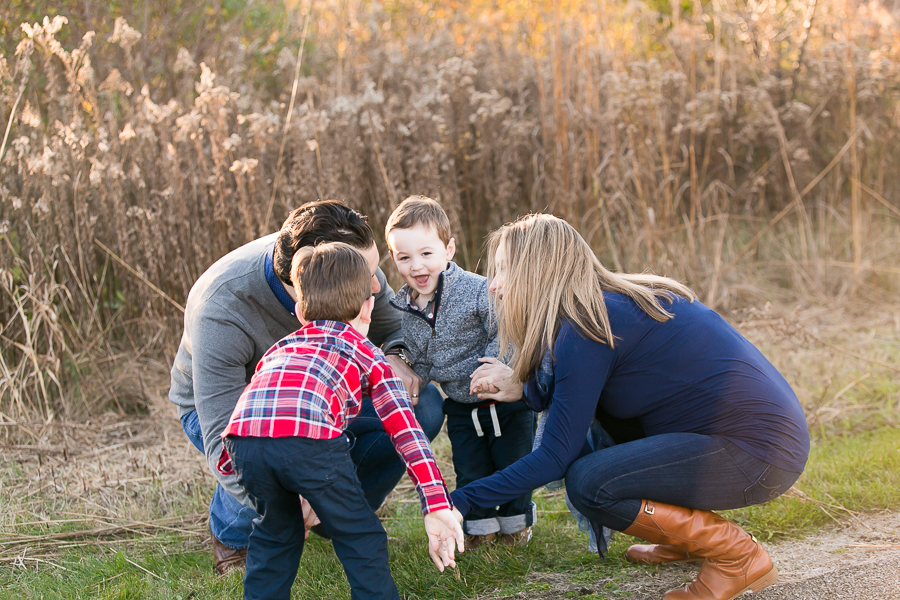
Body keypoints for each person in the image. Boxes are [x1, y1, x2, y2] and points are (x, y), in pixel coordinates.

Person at [460, 214, 810, 600]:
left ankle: (737, 556)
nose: (493, 285)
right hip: (762, 444)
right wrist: (525, 388)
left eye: (505, 270)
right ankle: (686, 541)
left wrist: (458, 502)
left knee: (590, 483)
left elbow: (554, 457)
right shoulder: (608, 306)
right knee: (610, 423)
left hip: (759, 457)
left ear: (537, 271)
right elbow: (572, 396)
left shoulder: (588, 329)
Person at [168, 201, 446, 574]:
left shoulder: (351, 264)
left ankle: (336, 516)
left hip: (325, 397)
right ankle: (233, 534)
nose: (379, 285)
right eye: (369, 275)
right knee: (266, 457)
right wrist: (293, 488)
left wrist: (399, 357)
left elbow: (397, 329)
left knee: (422, 403)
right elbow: (223, 438)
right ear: (314, 274)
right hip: (242, 414)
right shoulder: (222, 306)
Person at [218, 242, 464, 600]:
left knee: (276, 534)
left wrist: (238, 463)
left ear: (301, 311)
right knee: (359, 534)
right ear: (368, 307)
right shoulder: (367, 355)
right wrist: (435, 502)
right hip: (310, 440)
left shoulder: (279, 349)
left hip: (243, 443)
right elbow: (406, 432)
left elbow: (255, 404)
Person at [384, 196, 535, 549]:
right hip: (461, 406)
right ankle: (480, 528)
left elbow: (503, 329)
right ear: (393, 259)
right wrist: (411, 377)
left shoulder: (476, 288)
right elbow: (420, 358)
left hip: (502, 397)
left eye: (426, 254)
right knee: (470, 468)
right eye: (405, 258)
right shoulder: (407, 309)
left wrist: (491, 367)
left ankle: (516, 524)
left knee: (512, 464)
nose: (417, 266)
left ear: (448, 249)